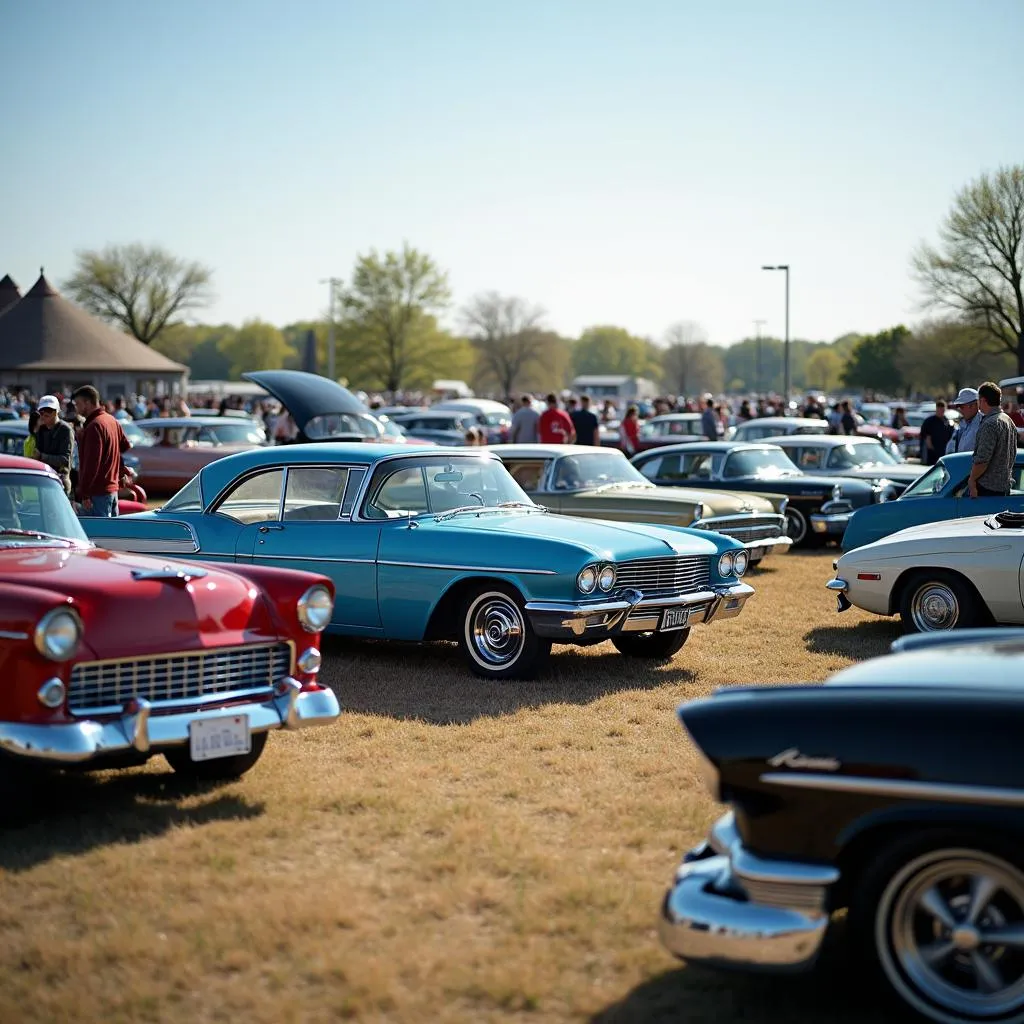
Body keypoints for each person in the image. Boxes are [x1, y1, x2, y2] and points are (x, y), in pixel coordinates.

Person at [71, 385, 131, 517]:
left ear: (87, 402)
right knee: (112, 535)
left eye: (78, 404)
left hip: (98, 493)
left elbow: (92, 464)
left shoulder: (94, 426)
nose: (76, 408)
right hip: (112, 490)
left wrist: (85, 493)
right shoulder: (111, 420)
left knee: (98, 534)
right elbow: (125, 446)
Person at [968, 381, 1017, 498]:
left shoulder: (990, 424)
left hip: (987, 489)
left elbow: (983, 460)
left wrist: (972, 480)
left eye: (979, 400)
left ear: (984, 400)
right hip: (1004, 486)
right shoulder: (1008, 420)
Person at [33, 394, 75, 496]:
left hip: (59, 481)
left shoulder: (65, 430)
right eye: (42, 412)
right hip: (43, 479)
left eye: (49, 411)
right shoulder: (41, 430)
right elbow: (36, 454)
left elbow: (65, 460)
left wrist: (42, 456)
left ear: (56, 412)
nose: (44, 415)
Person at [918, 399, 954, 466]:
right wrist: (932, 450)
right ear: (936, 409)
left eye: (943, 410)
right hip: (931, 454)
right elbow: (926, 438)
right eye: (939, 410)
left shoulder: (947, 422)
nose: (941, 412)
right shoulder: (929, 421)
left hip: (943, 453)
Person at [945, 388, 982, 454]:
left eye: (962, 407)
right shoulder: (963, 424)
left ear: (974, 405)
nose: (960, 410)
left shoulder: (983, 423)